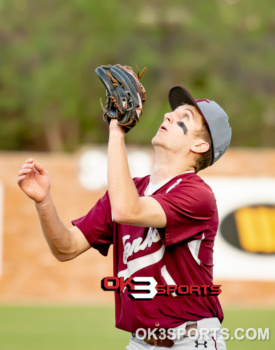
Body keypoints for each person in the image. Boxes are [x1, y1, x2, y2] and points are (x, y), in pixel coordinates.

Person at [17, 84, 232, 349]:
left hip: (191, 340)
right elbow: (65, 247)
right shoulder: (128, 191)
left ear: (199, 145)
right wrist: (43, 201)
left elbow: (127, 211)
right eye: (172, 113)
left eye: (183, 118)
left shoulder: (198, 196)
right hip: (140, 342)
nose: (168, 116)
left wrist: (116, 131)